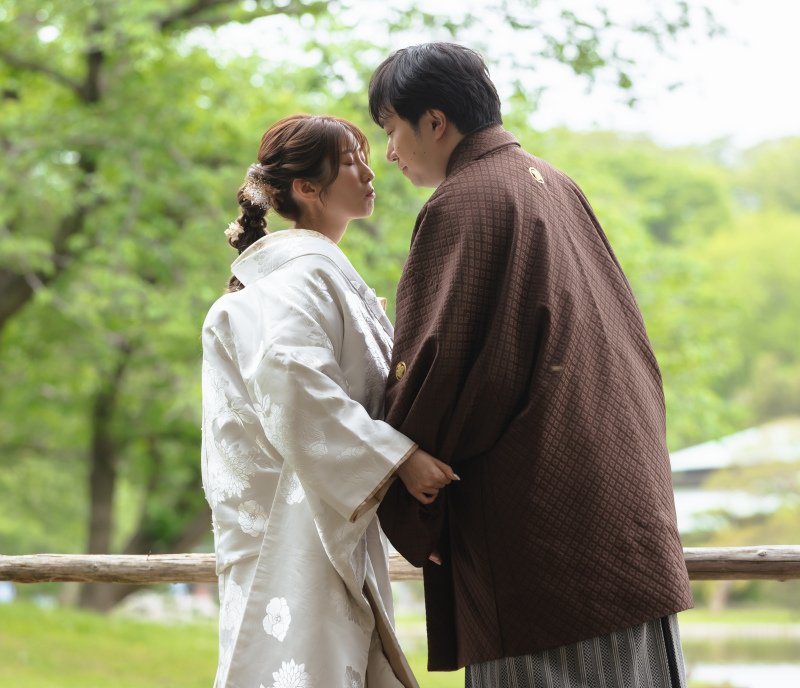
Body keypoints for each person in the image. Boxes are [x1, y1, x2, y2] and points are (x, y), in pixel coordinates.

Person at [369, 44, 693, 688]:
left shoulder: (464, 201)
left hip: (541, 526)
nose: (390, 154)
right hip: (622, 505)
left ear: (434, 121)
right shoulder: (554, 183)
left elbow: (440, 366)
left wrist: (409, 479)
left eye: (391, 129)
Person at [201, 114, 456, 688]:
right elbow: (292, 378)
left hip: (325, 513)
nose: (370, 171)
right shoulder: (300, 278)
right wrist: (398, 458)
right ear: (306, 189)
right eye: (349, 162)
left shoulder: (315, 274)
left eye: (366, 156)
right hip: (294, 527)